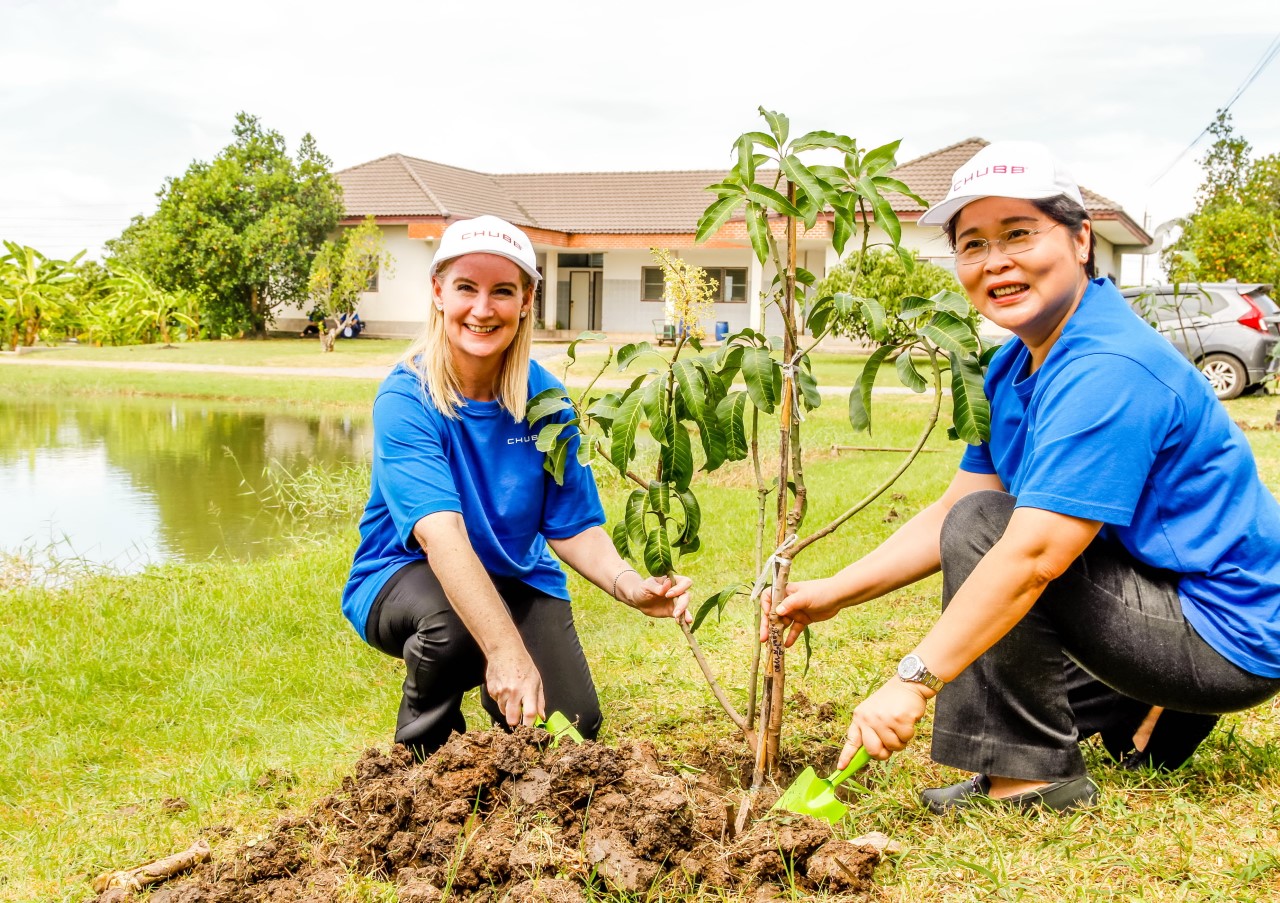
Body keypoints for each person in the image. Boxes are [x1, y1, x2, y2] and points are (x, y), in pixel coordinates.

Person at [764, 142, 1280, 812]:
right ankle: (1148, 709)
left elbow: (1031, 553)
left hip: (1227, 633)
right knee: (981, 525)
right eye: (972, 244)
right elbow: (957, 505)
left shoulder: (1108, 366)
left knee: (996, 536)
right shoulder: (1012, 366)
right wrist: (835, 590)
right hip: (1169, 598)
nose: (996, 261)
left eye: (1019, 234)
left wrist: (914, 679)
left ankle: (1031, 781)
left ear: (1081, 240)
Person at [342, 214, 692, 758]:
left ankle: (500, 711)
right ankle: (421, 765)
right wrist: (504, 651)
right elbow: (443, 538)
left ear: (526, 299)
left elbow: (572, 524)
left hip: (514, 576)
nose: (482, 310)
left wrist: (629, 586)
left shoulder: (545, 399)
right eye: (465, 288)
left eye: (502, 291)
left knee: (572, 727)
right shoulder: (406, 398)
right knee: (453, 630)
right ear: (438, 293)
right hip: (403, 576)